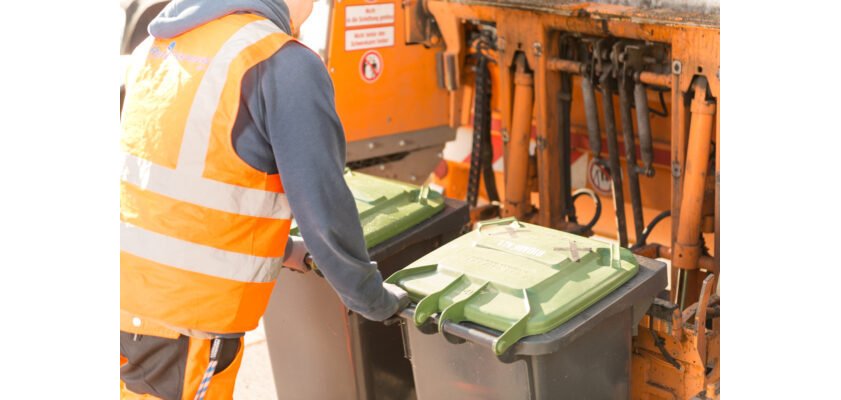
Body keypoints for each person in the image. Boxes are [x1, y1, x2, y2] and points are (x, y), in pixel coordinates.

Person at [119, 0, 409, 398]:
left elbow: (175, 187)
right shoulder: (281, 62)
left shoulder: (163, 41)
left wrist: (283, 249)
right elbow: (323, 208)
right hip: (186, 319)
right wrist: (371, 297)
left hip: (128, 295)